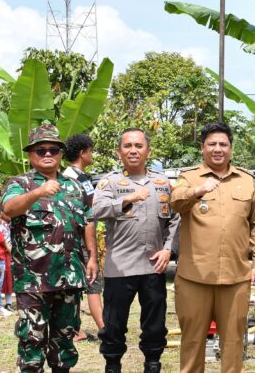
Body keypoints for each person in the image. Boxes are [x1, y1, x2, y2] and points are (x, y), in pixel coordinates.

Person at [1, 123, 98, 373]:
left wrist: (92, 257)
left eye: (53, 150)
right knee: (31, 342)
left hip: (70, 276)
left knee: (64, 342)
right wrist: (38, 192)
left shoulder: (75, 186)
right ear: (30, 154)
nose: (47, 154)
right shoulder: (20, 183)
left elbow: (87, 220)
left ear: (61, 153)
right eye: (40, 150)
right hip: (33, 281)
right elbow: (9, 209)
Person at [171, 122, 255, 373]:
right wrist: (197, 191)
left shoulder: (246, 181)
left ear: (230, 148)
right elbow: (176, 202)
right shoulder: (189, 178)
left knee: (233, 344)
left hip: (236, 278)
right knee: (192, 343)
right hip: (195, 277)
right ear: (202, 147)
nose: (217, 149)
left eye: (223, 144)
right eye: (212, 144)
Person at [92, 128, 178, 373]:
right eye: (127, 146)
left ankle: (152, 364)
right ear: (119, 152)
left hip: (153, 266)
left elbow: (176, 220)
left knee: (155, 325)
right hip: (120, 267)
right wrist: (127, 199)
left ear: (148, 152)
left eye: (139, 146)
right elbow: (97, 211)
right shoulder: (109, 183)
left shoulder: (163, 184)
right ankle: (112, 365)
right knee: (113, 325)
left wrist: (168, 250)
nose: (133, 150)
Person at [62, 133, 105, 342]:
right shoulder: (71, 178)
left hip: (84, 236)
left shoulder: (80, 176)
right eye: (91, 151)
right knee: (92, 281)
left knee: (82, 283)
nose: (92, 155)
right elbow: (81, 209)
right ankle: (104, 329)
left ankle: (76, 329)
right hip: (79, 238)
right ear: (82, 153)